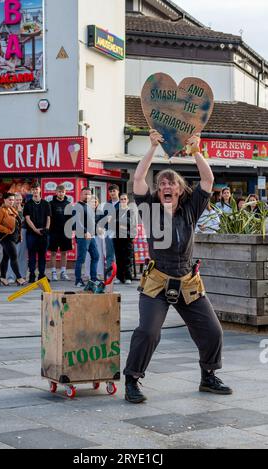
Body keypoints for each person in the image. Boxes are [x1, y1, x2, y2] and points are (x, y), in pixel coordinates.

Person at [123, 130, 232, 404]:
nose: (166, 187)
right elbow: (138, 178)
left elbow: (208, 179)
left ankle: (208, 376)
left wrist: (196, 151)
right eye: (161, 185)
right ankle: (132, 380)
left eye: (171, 184)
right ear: (158, 192)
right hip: (157, 282)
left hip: (188, 281)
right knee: (148, 331)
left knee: (212, 331)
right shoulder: (149, 208)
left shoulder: (191, 209)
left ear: (181, 190)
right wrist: (151, 148)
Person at [0, 193, 26, 287]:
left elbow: (18, 224)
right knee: (14, 256)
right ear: (4, 200)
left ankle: (2, 278)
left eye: (12, 200)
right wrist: (6, 230)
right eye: (9, 200)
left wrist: (20, 236)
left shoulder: (12, 209)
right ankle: (19, 278)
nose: (11, 201)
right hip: (5, 238)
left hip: (13, 237)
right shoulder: (1, 210)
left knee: (6, 257)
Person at [23, 183, 51, 283]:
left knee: (42, 255)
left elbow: (48, 217)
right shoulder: (28, 204)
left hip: (43, 233)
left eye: (36, 189)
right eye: (33, 189)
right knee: (32, 255)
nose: (35, 191)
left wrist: (46, 229)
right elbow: (27, 218)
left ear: (40, 190)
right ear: (31, 191)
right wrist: (35, 229)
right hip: (32, 233)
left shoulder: (46, 203)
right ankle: (31, 274)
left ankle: (42, 275)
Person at [73, 187, 99, 287]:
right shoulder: (78, 206)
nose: (87, 196)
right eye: (85, 194)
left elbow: (92, 221)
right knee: (81, 259)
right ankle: (78, 280)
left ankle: (93, 278)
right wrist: (85, 232)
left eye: (89, 194)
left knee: (96, 256)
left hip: (91, 236)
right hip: (82, 236)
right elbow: (77, 221)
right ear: (81, 194)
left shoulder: (88, 206)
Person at [49, 185, 72, 281]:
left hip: (65, 232)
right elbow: (48, 218)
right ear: (56, 192)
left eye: (62, 192)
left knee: (64, 252)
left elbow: (70, 219)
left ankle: (63, 272)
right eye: (59, 192)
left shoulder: (68, 204)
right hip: (53, 231)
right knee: (53, 253)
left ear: (65, 192)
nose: (61, 193)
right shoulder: (50, 203)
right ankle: (53, 272)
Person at [113, 194, 137, 284]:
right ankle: (119, 277)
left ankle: (128, 277)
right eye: (121, 199)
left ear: (127, 200)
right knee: (119, 258)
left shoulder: (131, 211)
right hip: (117, 237)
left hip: (127, 237)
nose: (123, 200)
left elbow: (132, 223)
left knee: (127, 258)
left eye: (124, 199)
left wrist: (118, 222)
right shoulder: (116, 211)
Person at [7, 193, 28, 283]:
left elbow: (26, 222)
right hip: (12, 233)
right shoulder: (9, 209)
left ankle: (22, 275)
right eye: (17, 199)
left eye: (20, 200)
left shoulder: (24, 209)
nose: (19, 201)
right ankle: (11, 276)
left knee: (23, 255)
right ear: (13, 200)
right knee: (12, 255)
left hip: (23, 232)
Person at [85, 196, 106, 280]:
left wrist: (100, 228)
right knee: (88, 255)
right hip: (89, 236)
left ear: (98, 202)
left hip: (98, 236)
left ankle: (100, 273)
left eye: (95, 201)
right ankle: (87, 274)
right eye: (92, 202)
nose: (94, 203)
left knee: (99, 255)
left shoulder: (101, 212)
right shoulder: (86, 212)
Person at [102, 185, 120, 279]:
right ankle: (111, 275)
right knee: (110, 254)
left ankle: (121, 275)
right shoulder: (107, 204)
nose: (112, 193)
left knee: (120, 254)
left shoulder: (122, 203)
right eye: (110, 192)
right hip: (109, 231)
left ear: (118, 191)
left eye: (114, 191)